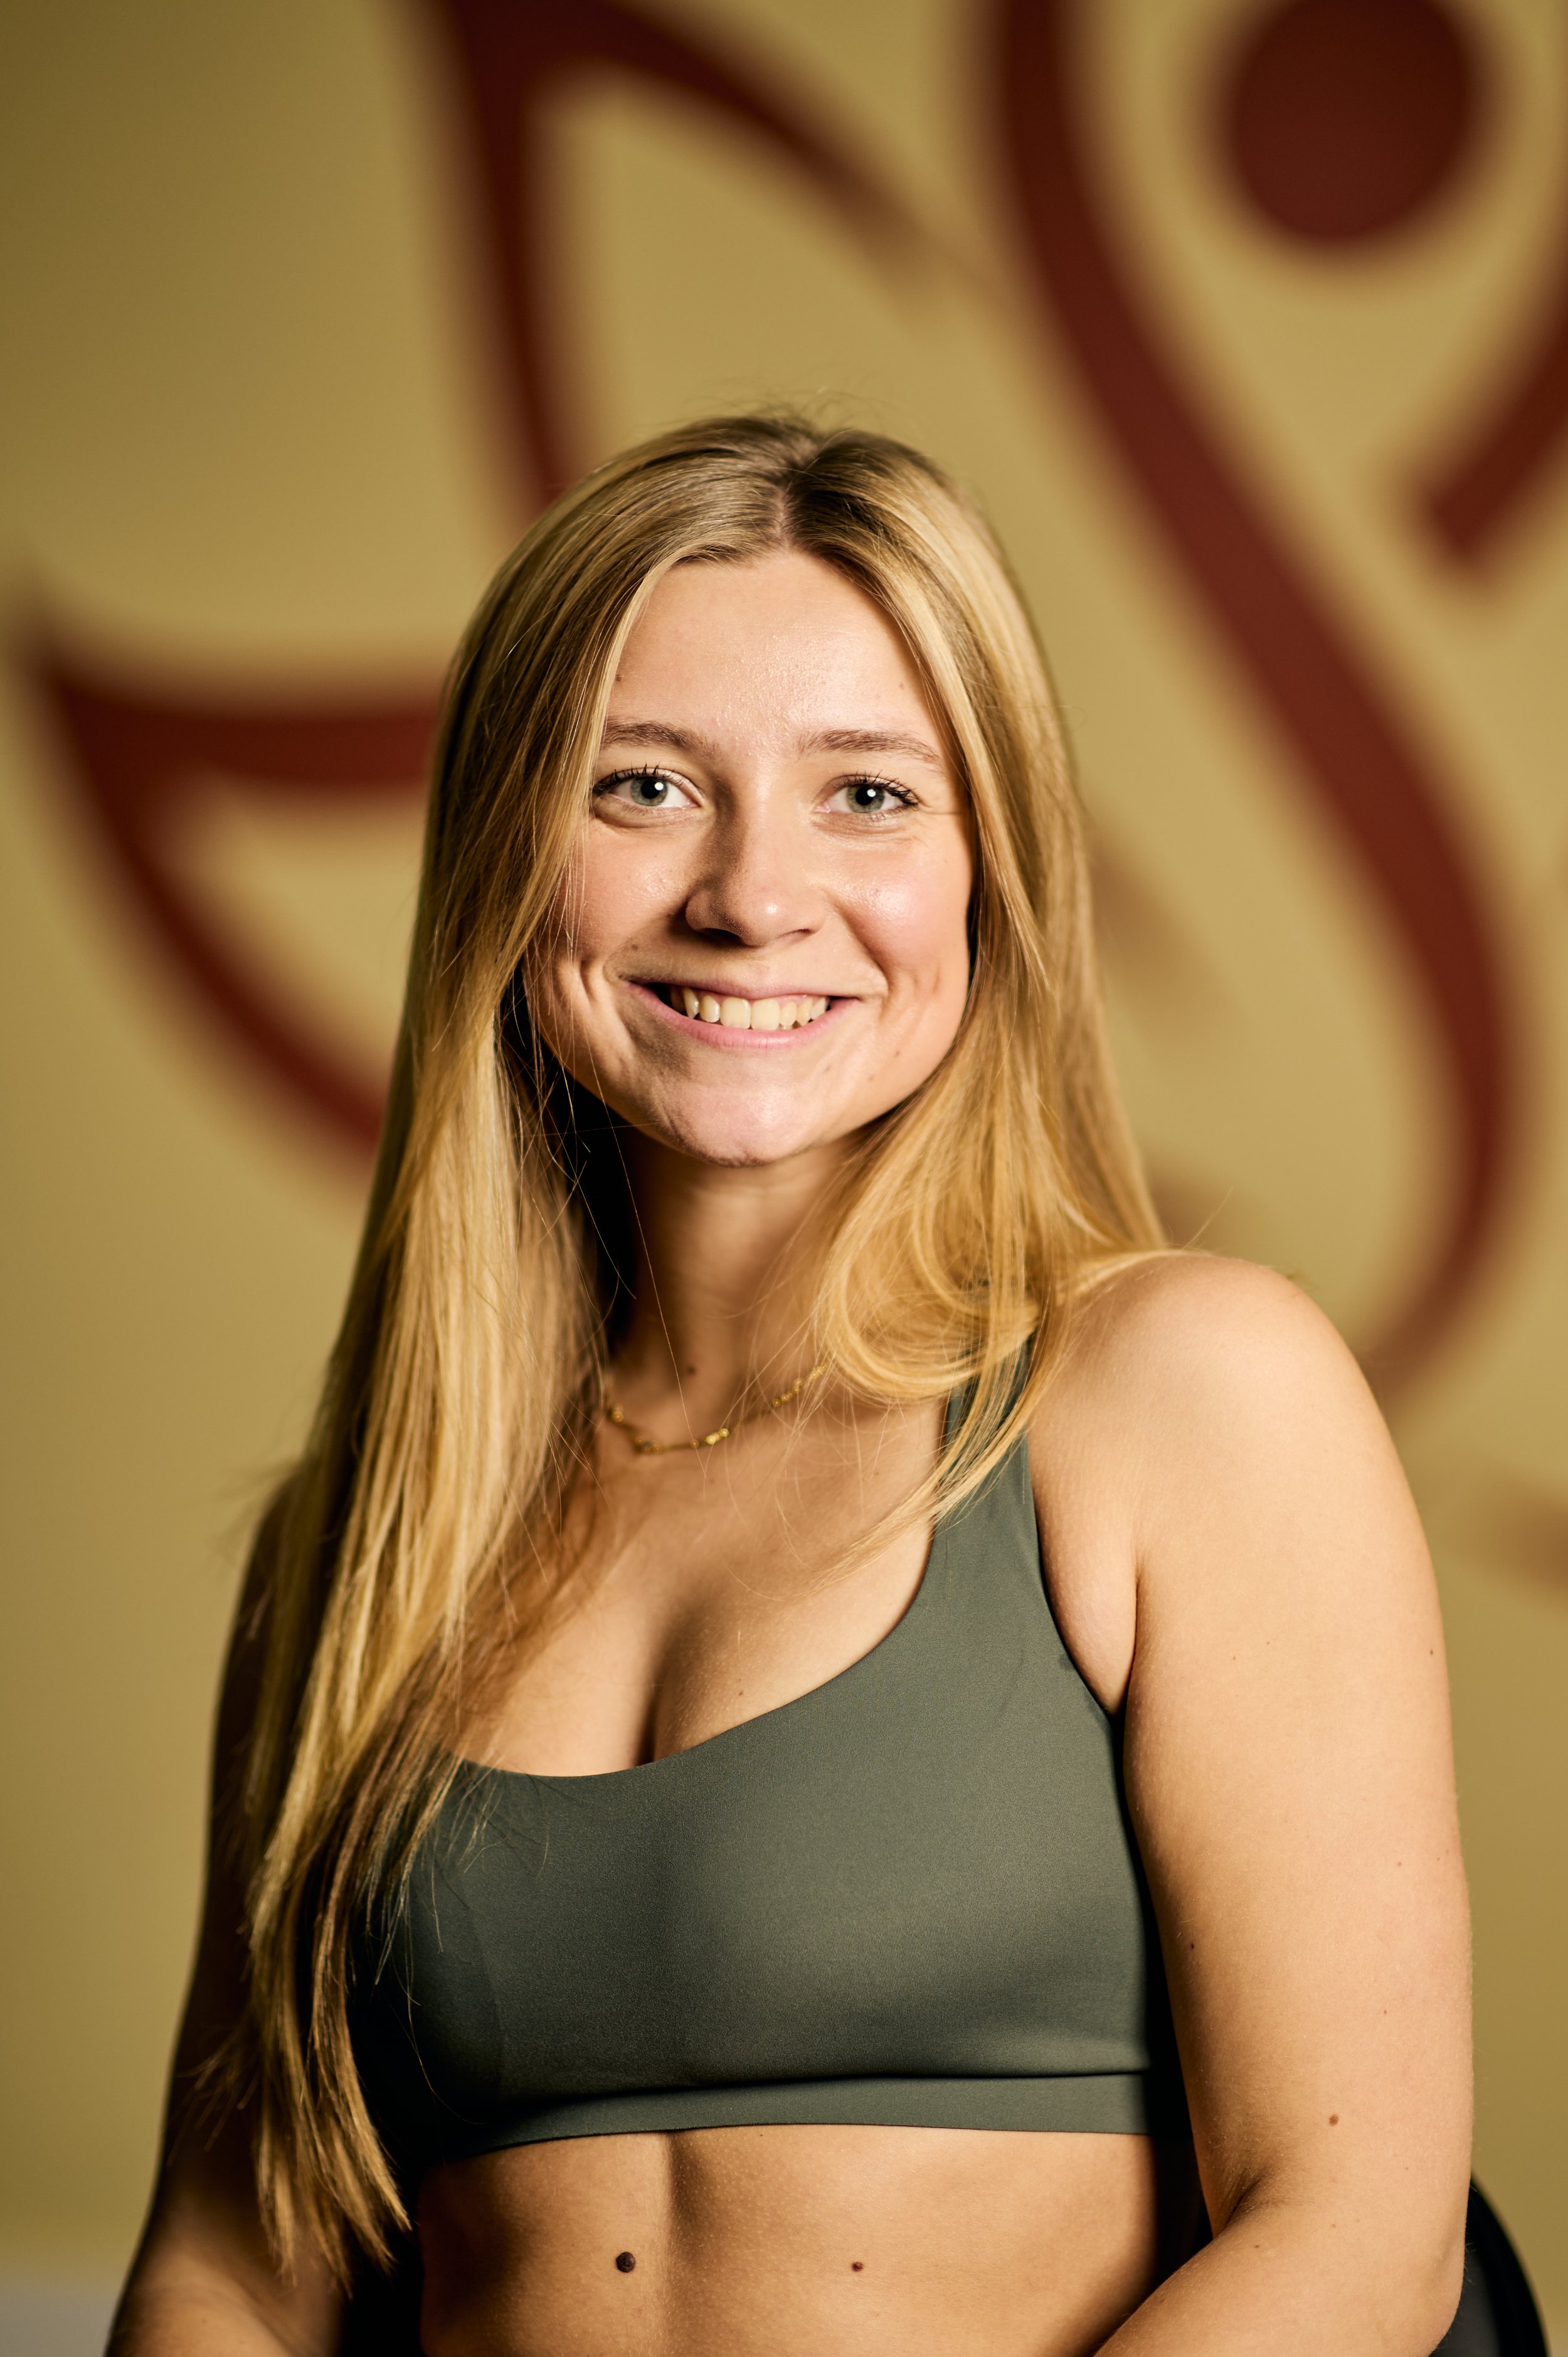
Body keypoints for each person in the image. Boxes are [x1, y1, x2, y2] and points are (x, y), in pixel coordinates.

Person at [110, 415, 1471, 2356]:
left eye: (867, 796)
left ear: (994, 861)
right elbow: (230, 2266)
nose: (752, 896)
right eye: (645, 785)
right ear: (508, 842)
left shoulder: (1183, 1397)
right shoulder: (363, 1537)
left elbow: (1350, 2236)